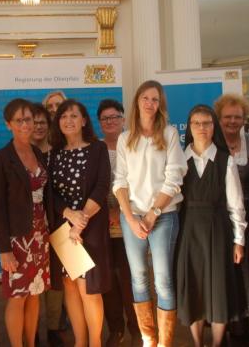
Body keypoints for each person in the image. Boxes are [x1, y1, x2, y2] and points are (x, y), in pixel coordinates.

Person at [112, 80, 188, 347]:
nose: (150, 103)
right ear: (137, 102)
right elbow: (119, 181)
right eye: (145, 98)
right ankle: (148, 339)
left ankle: (164, 343)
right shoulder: (125, 138)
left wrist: (153, 213)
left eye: (155, 99)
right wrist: (131, 219)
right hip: (132, 217)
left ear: (160, 105)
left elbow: (175, 177)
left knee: (164, 280)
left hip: (163, 215)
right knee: (139, 278)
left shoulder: (168, 134)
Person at [177, 104, 246, 347]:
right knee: (193, 289)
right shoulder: (179, 161)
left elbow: (235, 204)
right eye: (196, 123)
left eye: (207, 123)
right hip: (188, 231)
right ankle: (198, 343)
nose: (202, 128)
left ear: (213, 126)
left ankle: (217, 344)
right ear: (190, 127)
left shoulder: (225, 161)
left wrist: (239, 240)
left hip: (219, 231)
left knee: (219, 290)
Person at [49, 100, 112, 347]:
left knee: (89, 289)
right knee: (70, 286)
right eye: (63, 116)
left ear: (84, 120)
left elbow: (101, 187)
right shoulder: (54, 153)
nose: (68, 120)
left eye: (74, 115)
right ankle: (80, 341)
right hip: (64, 229)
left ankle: (95, 343)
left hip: (90, 229)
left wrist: (80, 221)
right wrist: (68, 214)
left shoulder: (97, 149)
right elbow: (50, 193)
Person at [0, 98, 52, 347]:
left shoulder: (37, 152)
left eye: (29, 119)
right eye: (20, 120)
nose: (26, 124)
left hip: (40, 235)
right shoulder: (1, 158)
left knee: (34, 294)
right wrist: (4, 249)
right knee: (17, 297)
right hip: (17, 239)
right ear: (8, 124)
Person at [214, 94, 249, 347]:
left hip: (248, 222)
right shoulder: (209, 144)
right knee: (222, 277)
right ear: (218, 119)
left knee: (245, 277)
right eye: (227, 117)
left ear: (245, 119)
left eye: (238, 117)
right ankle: (221, 328)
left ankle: (242, 330)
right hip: (219, 223)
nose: (233, 121)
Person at [97, 99, 141, 347]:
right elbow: (91, 187)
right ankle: (115, 328)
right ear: (99, 123)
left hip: (130, 221)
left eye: (115, 117)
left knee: (130, 277)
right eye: (105, 118)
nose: (111, 122)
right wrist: (107, 211)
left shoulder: (134, 146)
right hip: (102, 224)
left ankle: (137, 327)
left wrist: (122, 210)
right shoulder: (95, 149)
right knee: (108, 279)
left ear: (124, 119)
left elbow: (142, 183)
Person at [30, 102, 67, 347]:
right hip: (30, 230)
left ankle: (54, 329)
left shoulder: (59, 151)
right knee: (32, 283)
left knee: (56, 281)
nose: (39, 126)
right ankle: (31, 332)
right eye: (34, 122)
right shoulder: (19, 153)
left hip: (60, 226)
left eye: (43, 122)